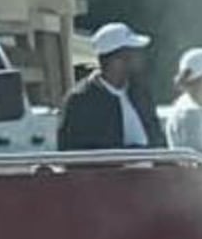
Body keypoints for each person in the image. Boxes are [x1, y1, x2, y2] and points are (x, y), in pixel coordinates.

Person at [57, 22, 161, 152]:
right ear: (116, 60)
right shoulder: (80, 101)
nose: (141, 57)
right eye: (134, 52)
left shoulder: (140, 92)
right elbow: (75, 152)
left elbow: (158, 139)